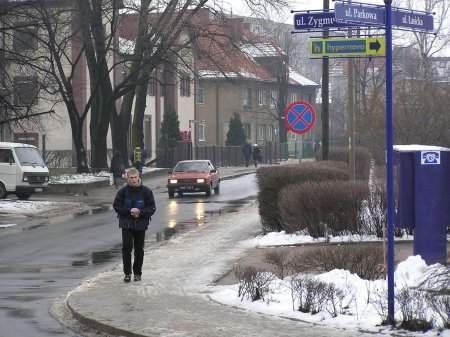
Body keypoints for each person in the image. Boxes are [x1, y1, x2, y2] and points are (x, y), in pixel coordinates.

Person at [113, 167, 156, 283]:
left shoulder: (146, 191)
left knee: (139, 249)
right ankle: (127, 273)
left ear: (139, 177)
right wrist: (128, 212)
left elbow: (152, 208)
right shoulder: (122, 192)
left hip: (141, 224)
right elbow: (116, 206)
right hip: (126, 224)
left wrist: (140, 213)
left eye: (135, 177)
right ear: (127, 179)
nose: (133, 180)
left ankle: (137, 273)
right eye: (131, 178)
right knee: (126, 248)